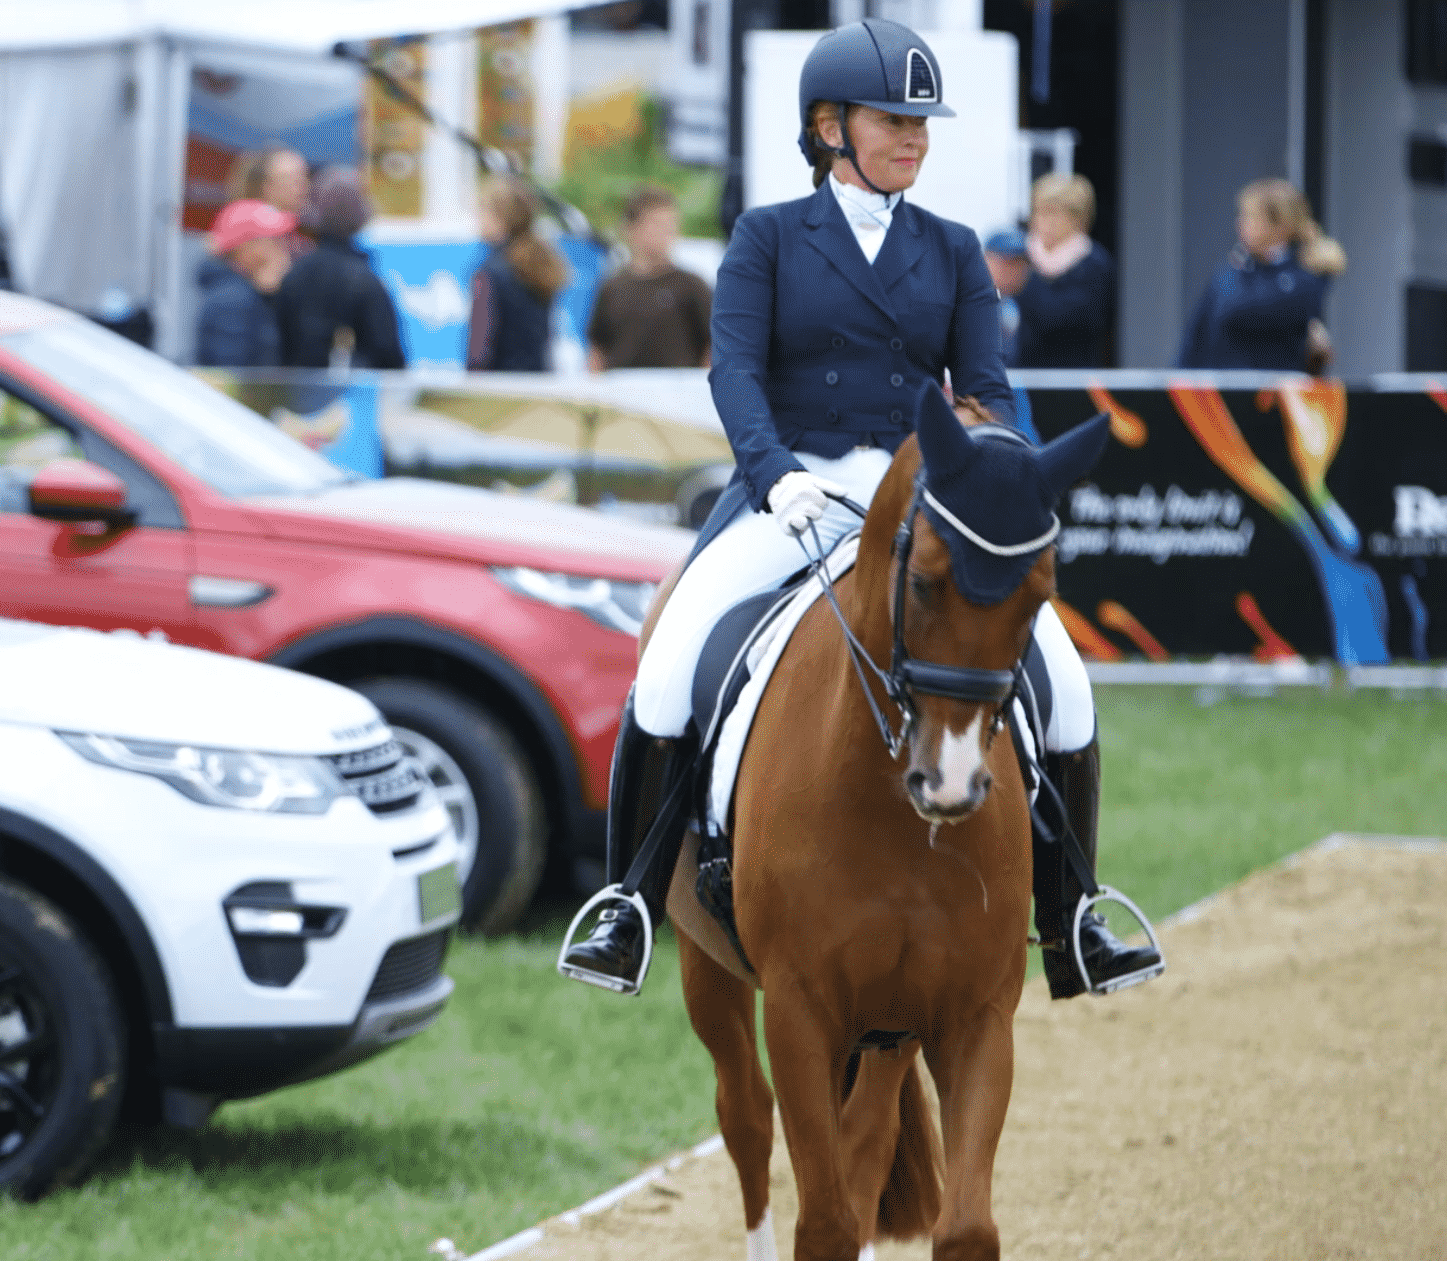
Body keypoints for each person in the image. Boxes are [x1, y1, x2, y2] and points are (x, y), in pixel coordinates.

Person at [561, 16, 1162, 1002]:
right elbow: (736, 376)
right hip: (785, 491)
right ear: (829, 126)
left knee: (1063, 677)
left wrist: (993, 462)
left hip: (914, 497)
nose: (913, 140)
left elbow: (987, 385)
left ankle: (1073, 916)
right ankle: (627, 904)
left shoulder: (955, 248)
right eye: (894, 120)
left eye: (922, 124)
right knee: (667, 669)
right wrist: (775, 471)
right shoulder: (765, 237)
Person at [1177, 177, 1345, 372]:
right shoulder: (1232, 270)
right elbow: (1197, 334)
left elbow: (1240, 308)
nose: (1241, 224)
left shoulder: (1307, 274)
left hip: (1277, 394)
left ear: (1281, 225)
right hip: (1222, 393)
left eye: (1252, 217)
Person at [275, 167, 407, 370]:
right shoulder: (362, 279)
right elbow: (387, 352)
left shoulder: (294, 273)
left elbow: (280, 345)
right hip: (353, 396)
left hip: (298, 394)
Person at [586, 185, 712, 371]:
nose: (665, 232)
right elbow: (598, 349)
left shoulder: (691, 286)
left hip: (677, 393)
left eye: (670, 224)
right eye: (656, 224)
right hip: (622, 392)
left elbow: (714, 346)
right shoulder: (612, 287)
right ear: (631, 228)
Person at [1012, 172, 1115, 368]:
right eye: (1040, 212)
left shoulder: (1094, 264)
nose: (1045, 222)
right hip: (1022, 377)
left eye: (1055, 213)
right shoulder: (1021, 256)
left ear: (1079, 220)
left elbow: (1057, 320)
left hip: (1073, 381)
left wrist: (1023, 281)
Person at [466, 178, 567, 372]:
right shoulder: (540, 263)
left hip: (500, 386)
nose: (478, 219)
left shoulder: (490, 272)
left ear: (500, 218)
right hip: (538, 380)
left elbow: (479, 350)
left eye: (483, 212)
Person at [195, 199, 296, 368]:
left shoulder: (245, 293)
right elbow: (232, 377)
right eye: (274, 240)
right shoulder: (232, 301)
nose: (283, 248)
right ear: (245, 247)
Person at [982, 226, 1029, 367]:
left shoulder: (1021, 303)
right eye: (1008, 262)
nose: (1015, 271)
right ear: (985, 260)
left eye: (1021, 264)